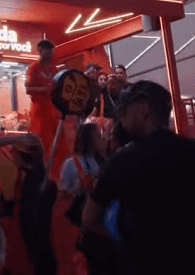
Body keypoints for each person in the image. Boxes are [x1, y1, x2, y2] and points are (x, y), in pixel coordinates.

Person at [82, 80, 195, 275]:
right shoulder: (190, 149)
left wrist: (127, 240)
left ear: (144, 110)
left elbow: (89, 218)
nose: (120, 114)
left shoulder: (120, 161)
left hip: (144, 262)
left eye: (125, 108)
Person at [0, 132, 57, 275]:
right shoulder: (49, 183)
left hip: (19, 256)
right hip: (45, 256)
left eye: (13, 151)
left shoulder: (11, 175)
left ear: (18, 154)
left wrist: (16, 138)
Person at [52, 124, 106, 275]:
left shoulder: (105, 160)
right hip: (79, 224)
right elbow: (63, 195)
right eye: (98, 134)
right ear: (89, 138)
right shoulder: (72, 163)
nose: (102, 138)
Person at [25, 40, 68, 180]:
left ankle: (56, 175)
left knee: (58, 142)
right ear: (40, 50)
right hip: (40, 112)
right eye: (47, 51)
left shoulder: (53, 68)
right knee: (43, 142)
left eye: (51, 51)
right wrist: (44, 89)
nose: (50, 54)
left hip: (54, 111)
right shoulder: (34, 68)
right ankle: (43, 174)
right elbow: (28, 89)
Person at [88, 72, 116, 139]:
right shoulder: (93, 95)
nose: (103, 81)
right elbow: (94, 112)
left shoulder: (110, 95)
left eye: (105, 80)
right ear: (97, 82)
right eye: (101, 79)